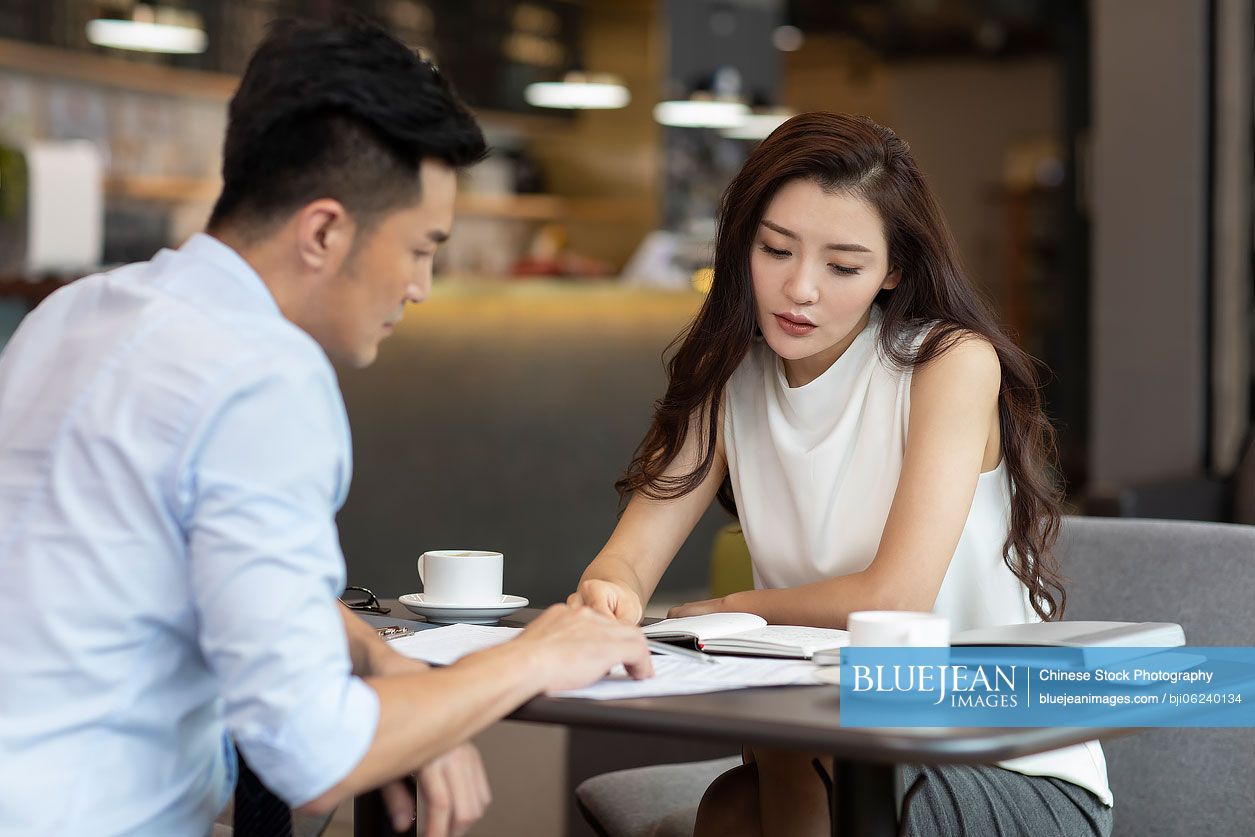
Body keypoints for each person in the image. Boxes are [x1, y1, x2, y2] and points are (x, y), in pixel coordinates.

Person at [0, 18, 652, 837]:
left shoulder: (75, 313)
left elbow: (198, 575)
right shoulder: (262, 377)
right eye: (421, 248)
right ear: (322, 231)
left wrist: (390, 666)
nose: (420, 287)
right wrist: (530, 658)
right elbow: (316, 755)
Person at [569, 112, 1113, 836]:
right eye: (775, 249)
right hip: (831, 738)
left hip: (1009, 763)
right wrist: (609, 592)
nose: (798, 289)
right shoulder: (731, 377)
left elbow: (895, 596)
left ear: (892, 269)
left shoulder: (948, 364)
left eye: (842, 266)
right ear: (742, 245)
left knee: (793, 747)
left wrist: (732, 605)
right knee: (729, 806)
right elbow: (631, 555)